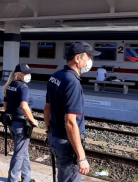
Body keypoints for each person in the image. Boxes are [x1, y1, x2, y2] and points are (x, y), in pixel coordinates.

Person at [43, 41, 101, 182]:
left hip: (55, 137)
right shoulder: (72, 83)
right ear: (77, 58)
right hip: (66, 142)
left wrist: (49, 131)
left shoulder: (56, 76)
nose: (90, 61)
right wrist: (81, 157)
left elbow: (47, 107)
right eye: (88, 57)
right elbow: (70, 122)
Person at [3, 63, 39, 182]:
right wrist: (33, 121)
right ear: (18, 74)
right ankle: (12, 179)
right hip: (21, 124)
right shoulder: (23, 87)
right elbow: (24, 106)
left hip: (12, 123)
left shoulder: (9, 86)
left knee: (23, 152)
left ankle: (26, 178)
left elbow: (5, 106)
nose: (28, 75)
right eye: (25, 73)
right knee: (18, 154)